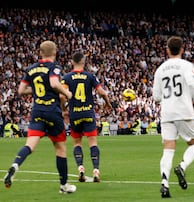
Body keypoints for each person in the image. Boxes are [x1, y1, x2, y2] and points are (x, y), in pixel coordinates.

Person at [3, 40, 76, 193]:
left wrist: (35, 90)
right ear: (55, 53)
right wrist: (67, 93)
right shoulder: (54, 67)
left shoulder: (31, 69)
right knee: (60, 149)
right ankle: (63, 186)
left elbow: (21, 91)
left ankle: (15, 165)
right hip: (52, 112)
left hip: (37, 112)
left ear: (40, 53)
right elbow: (55, 84)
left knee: (29, 146)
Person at [152, 36, 194, 198]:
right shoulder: (187, 65)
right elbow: (191, 84)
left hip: (167, 113)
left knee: (168, 149)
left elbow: (156, 97)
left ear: (167, 50)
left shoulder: (160, 69)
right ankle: (182, 166)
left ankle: (164, 183)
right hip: (184, 110)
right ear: (182, 49)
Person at [61, 51, 112, 183]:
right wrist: (108, 103)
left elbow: (61, 96)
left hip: (75, 114)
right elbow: (101, 92)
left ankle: (81, 169)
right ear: (84, 62)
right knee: (93, 143)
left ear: (72, 62)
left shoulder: (66, 77)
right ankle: (96, 171)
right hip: (88, 113)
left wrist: (64, 109)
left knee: (77, 143)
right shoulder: (90, 76)